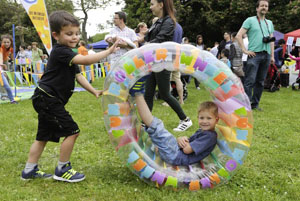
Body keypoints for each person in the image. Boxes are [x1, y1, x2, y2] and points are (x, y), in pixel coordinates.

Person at [21, 10, 119, 182]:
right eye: (69, 34)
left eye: (76, 33)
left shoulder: (67, 53)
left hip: (45, 98)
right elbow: (87, 60)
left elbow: (78, 76)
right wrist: (109, 51)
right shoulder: (61, 51)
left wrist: (93, 91)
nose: (74, 37)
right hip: (48, 99)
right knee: (72, 131)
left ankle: (29, 171)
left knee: (43, 136)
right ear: (56, 35)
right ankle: (62, 169)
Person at [129, 80, 218, 166]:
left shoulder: (210, 136)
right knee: (158, 130)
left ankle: (138, 93)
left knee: (156, 127)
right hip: (176, 153)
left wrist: (183, 143)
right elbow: (190, 142)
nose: (204, 121)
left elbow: (187, 150)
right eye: (202, 118)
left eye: (209, 118)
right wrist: (181, 139)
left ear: (216, 120)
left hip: (176, 156)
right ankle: (137, 95)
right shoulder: (203, 131)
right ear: (197, 118)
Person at [144, 0, 192, 132]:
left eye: (152, 4)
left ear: (161, 5)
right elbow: (149, 38)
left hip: (163, 62)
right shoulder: (159, 21)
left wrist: (147, 46)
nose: (150, 7)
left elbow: (161, 38)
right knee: (148, 94)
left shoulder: (169, 21)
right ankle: (145, 123)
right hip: (154, 61)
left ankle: (185, 120)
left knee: (165, 94)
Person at [236, 0, 274, 111]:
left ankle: (255, 104)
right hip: (254, 55)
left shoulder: (269, 23)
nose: (264, 7)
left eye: (266, 6)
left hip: (266, 55)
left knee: (260, 82)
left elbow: (271, 40)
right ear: (257, 8)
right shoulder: (250, 20)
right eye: (262, 5)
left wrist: (272, 56)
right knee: (249, 81)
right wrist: (244, 50)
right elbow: (239, 35)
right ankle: (246, 105)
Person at [170, 22, 184, 105]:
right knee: (177, 78)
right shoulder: (179, 27)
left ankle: (168, 102)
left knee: (167, 79)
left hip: (169, 54)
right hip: (178, 53)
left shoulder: (169, 25)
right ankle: (181, 100)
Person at [0, 34, 17, 104]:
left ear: (10, 42)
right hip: (1, 62)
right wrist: (1, 65)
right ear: (2, 42)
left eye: (8, 42)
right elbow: (0, 57)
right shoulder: (1, 48)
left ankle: (8, 93)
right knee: (2, 79)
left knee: (7, 77)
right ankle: (3, 95)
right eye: (5, 42)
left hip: (5, 61)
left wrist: (14, 64)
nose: (6, 44)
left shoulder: (11, 49)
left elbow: (13, 58)